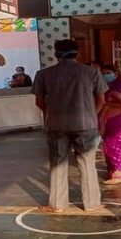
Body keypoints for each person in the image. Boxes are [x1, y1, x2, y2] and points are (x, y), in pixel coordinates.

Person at [32, 39, 107, 213]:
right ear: (77, 53)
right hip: (85, 124)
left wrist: (52, 113)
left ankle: (57, 205)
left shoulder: (43, 74)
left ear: (56, 54)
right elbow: (101, 100)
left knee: (58, 163)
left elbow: (39, 102)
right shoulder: (92, 72)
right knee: (87, 163)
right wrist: (90, 114)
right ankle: (92, 204)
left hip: (56, 125)